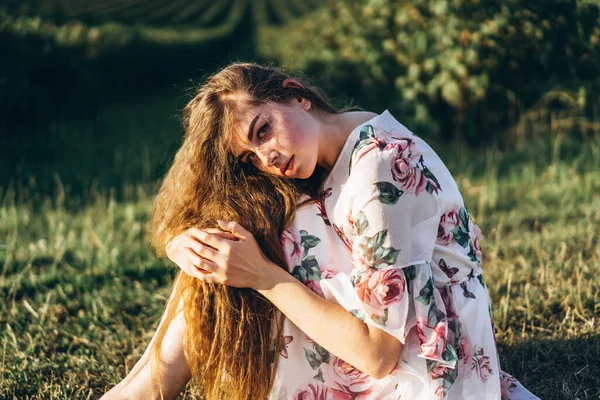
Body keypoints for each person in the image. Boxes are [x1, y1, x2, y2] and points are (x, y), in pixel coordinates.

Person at [102, 63, 538, 400]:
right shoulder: (347, 140)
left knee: (242, 251)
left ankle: (144, 391)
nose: (267, 157)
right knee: (232, 235)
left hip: (424, 369)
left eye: (263, 130)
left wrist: (263, 276)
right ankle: (142, 388)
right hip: (406, 339)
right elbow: (213, 208)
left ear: (297, 96)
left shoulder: (379, 169)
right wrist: (186, 241)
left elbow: (378, 355)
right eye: (250, 158)